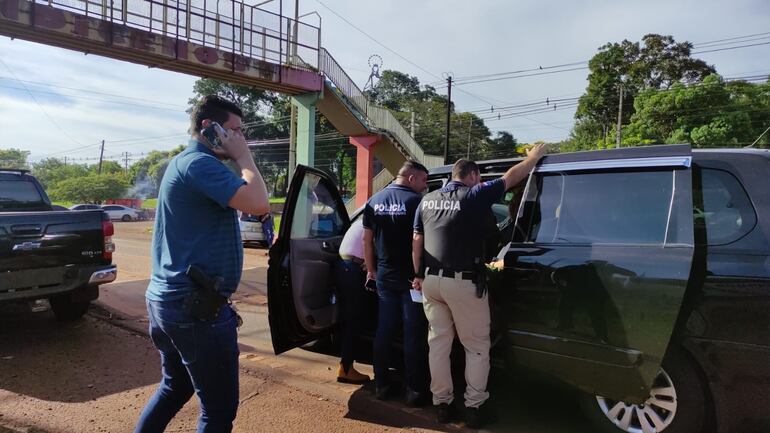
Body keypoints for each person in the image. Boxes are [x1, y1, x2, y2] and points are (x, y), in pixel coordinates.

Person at [134, 95, 270, 433]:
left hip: (172, 301)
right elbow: (258, 203)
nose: (241, 138)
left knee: (174, 387)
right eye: (235, 131)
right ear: (210, 129)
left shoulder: (188, 163)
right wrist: (244, 157)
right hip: (194, 307)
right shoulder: (199, 164)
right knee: (219, 411)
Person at [411, 144, 548, 428]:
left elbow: (417, 243)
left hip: (431, 282)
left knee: (438, 345)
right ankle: (474, 408)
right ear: (472, 175)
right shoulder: (474, 195)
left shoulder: (428, 199)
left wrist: (419, 274)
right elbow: (511, 177)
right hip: (461, 282)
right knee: (476, 347)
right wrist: (533, 158)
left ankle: (443, 405)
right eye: (479, 177)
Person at [363, 160, 430, 406]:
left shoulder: (373, 201)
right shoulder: (416, 202)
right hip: (410, 280)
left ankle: (381, 384)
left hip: (384, 277)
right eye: (423, 180)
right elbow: (417, 242)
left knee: (384, 329)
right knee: (413, 333)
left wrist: (371, 270)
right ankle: (414, 391)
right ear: (411, 178)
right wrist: (418, 273)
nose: (425, 186)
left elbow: (366, 241)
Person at [333, 218, 372, 384]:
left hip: (344, 264)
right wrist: (372, 266)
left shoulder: (369, 211)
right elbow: (372, 241)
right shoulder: (379, 213)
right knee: (353, 319)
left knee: (350, 318)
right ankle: (346, 368)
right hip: (353, 267)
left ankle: (346, 365)